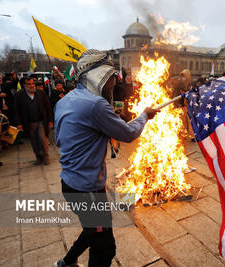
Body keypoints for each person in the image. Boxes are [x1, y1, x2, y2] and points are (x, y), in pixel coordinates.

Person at [53, 49, 158, 267]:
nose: (113, 83)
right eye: (110, 77)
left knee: (93, 230)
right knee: (104, 248)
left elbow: (63, 138)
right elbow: (129, 134)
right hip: (87, 190)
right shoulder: (95, 105)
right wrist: (144, 116)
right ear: (97, 76)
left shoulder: (65, 101)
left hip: (69, 183)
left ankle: (66, 262)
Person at [14, 77, 53, 165]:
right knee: (34, 142)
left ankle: (46, 157)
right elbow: (16, 110)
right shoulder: (19, 95)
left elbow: (48, 107)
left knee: (42, 139)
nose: (31, 86)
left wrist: (50, 120)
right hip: (29, 123)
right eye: (29, 84)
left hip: (41, 121)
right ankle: (39, 157)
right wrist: (18, 123)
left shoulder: (41, 93)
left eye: (32, 83)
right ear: (24, 85)